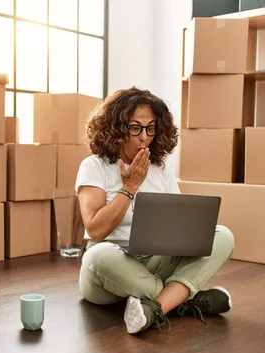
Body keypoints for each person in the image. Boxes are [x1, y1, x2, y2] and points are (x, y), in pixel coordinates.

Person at [75, 87, 235, 335]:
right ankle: (182, 300)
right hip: (109, 267)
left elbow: (178, 222)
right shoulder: (94, 166)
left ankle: (155, 307)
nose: (144, 137)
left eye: (151, 128)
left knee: (222, 235)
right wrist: (129, 187)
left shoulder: (160, 169)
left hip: (153, 262)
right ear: (116, 128)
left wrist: (190, 234)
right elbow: (95, 231)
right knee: (100, 255)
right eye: (135, 127)